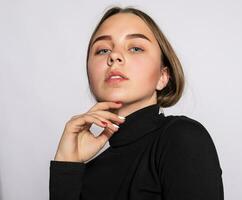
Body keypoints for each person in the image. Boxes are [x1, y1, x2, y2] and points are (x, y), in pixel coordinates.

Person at [49, 6, 224, 200]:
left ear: (163, 76)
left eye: (135, 48)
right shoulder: (86, 171)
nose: (113, 56)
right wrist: (66, 164)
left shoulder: (182, 138)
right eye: (103, 50)